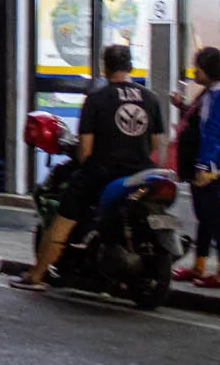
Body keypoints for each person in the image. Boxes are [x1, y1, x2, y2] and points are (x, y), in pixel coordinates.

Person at [13, 43, 162, 291]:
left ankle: (36, 275)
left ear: (105, 67)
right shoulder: (151, 98)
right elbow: (155, 143)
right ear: (130, 66)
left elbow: (85, 149)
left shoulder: (97, 98)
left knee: (62, 219)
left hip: (103, 172)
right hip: (141, 172)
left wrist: (89, 163)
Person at [177, 46, 220, 289]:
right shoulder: (210, 93)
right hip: (201, 164)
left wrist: (205, 165)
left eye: (198, 68)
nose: (195, 72)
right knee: (204, 218)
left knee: (216, 219)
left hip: (210, 167)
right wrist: (183, 107)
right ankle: (199, 266)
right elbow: (200, 123)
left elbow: (216, 131)